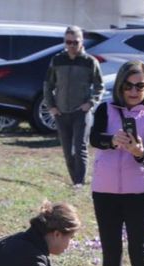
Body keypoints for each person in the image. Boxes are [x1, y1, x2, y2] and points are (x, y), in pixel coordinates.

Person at [89, 61, 144, 266]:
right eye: (129, 85)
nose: (134, 91)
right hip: (105, 189)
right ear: (120, 86)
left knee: (139, 247)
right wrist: (112, 140)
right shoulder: (105, 109)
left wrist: (140, 152)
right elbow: (93, 138)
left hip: (139, 188)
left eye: (140, 85)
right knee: (111, 249)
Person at [43, 26, 104, 187]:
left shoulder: (90, 62)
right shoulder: (57, 60)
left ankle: (79, 182)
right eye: (68, 42)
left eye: (75, 42)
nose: (71, 46)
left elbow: (100, 86)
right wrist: (52, 107)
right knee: (67, 150)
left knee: (80, 147)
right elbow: (48, 85)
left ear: (81, 42)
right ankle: (74, 179)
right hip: (61, 112)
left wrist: (91, 103)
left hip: (81, 112)